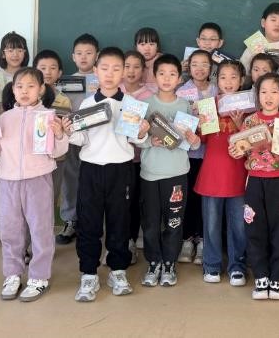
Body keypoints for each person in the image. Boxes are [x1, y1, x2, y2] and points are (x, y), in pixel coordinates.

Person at [0, 68, 69, 302]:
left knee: (41, 229)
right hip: (8, 181)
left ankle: (39, 277)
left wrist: (60, 135)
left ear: (41, 89)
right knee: (11, 230)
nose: (25, 91)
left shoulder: (48, 117)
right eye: (20, 86)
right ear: (12, 90)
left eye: (31, 86)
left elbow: (57, 152)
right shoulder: (4, 118)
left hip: (39, 179)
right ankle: (12, 274)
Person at [65, 47, 149, 302]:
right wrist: (68, 131)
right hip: (91, 169)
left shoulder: (131, 104)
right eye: (104, 68)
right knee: (88, 223)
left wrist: (142, 131)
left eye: (116, 69)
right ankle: (89, 273)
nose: (110, 74)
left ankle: (118, 270)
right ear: (95, 71)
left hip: (121, 170)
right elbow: (81, 139)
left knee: (119, 222)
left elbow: (138, 141)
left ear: (123, 72)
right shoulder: (87, 103)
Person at [230, 73, 279, 300]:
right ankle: (261, 278)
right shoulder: (250, 121)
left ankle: (276, 280)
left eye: (274, 92)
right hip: (255, 180)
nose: (268, 97)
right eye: (263, 92)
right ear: (257, 95)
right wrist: (235, 150)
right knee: (255, 229)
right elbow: (240, 151)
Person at [137, 54, 200, 288]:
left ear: (179, 78)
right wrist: (148, 140)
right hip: (150, 174)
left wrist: (194, 140)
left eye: (172, 74)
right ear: (154, 76)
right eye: (161, 73)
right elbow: (134, 137)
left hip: (177, 173)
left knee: (174, 222)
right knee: (151, 223)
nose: (166, 78)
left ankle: (169, 264)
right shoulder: (145, 104)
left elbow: (192, 144)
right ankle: (154, 263)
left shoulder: (185, 106)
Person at [193, 60, 250, 286]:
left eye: (233, 77)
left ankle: (237, 266)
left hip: (239, 174)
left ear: (242, 80)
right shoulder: (209, 104)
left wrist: (241, 124)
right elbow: (202, 140)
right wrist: (199, 123)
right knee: (211, 224)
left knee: (239, 225)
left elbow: (254, 141)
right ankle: (212, 265)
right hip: (212, 174)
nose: (228, 82)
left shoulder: (249, 105)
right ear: (217, 81)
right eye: (223, 77)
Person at [0, 31, 29, 244]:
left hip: (25, 137)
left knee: (25, 181)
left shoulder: (31, 76)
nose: (15, 54)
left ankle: (21, 222)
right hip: (0, 136)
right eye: (10, 50)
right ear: (3, 53)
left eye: (19, 49)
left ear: (25, 53)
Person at [56, 33, 101, 246]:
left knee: (95, 182)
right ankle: (70, 220)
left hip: (97, 139)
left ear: (97, 55)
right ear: (73, 56)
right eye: (79, 53)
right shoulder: (63, 83)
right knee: (71, 180)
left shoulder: (104, 78)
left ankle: (93, 222)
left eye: (89, 53)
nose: (84, 57)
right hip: (73, 138)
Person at [176, 49, 218, 264]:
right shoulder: (182, 91)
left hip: (211, 155)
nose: (199, 69)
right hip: (189, 154)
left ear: (211, 68)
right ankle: (187, 239)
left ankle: (202, 240)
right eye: (195, 64)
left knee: (206, 199)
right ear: (188, 67)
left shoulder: (217, 90)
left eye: (204, 64)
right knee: (188, 197)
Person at [120, 50, 156, 256]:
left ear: (143, 70)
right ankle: (120, 242)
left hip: (139, 158)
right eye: (127, 66)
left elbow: (152, 126)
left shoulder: (149, 96)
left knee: (136, 201)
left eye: (136, 67)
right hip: (117, 157)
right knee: (120, 202)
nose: (131, 71)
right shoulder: (114, 91)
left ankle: (132, 240)